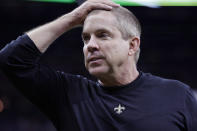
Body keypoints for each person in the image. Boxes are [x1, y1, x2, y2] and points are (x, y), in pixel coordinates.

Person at [0, 0, 197, 131]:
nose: (90, 46)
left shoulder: (178, 95)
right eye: (85, 38)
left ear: (132, 45)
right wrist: (71, 19)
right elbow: (11, 59)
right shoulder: (68, 95)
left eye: (103, 35)